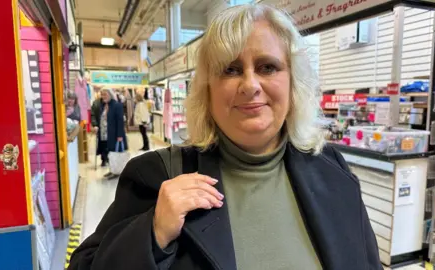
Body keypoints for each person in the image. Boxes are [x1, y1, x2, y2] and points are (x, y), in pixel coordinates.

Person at [69, 4, 381, 270]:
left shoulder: (330, 166)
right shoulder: (157, 176)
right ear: (207, 90)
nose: (250, 85)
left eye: (267, 67)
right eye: (230, 70)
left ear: (293, 83)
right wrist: (151, 234)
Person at [94, 88, 128, 170]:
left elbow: (120, 122)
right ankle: (111, 170)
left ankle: (116, 170)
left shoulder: (117, 105)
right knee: (108, 153)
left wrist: (120, 136)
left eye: (105, 94)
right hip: (104, 134)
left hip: (114, 135)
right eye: (102, 95)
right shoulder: (103, 106)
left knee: (114, 153)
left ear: (110, 94)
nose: (103, 96)